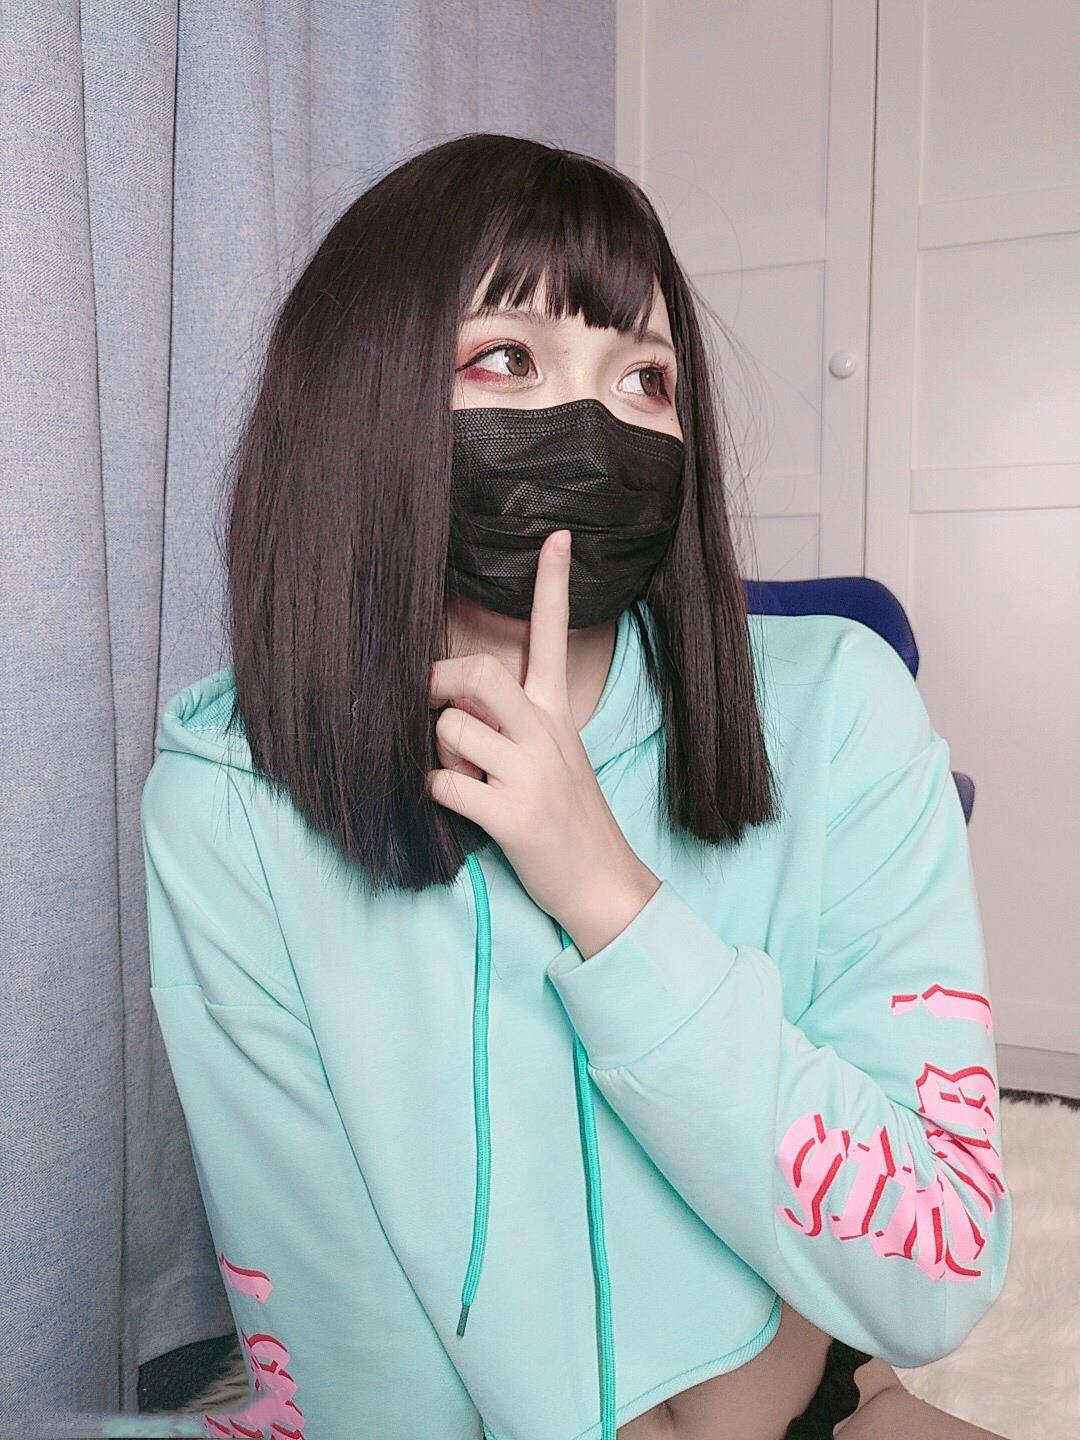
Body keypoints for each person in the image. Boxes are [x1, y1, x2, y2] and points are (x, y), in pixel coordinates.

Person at [140, 133, 1013, 1440]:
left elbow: (933, 1265)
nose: (596, 424)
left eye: (645, 377)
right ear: (361, 400)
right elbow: (346, 1331)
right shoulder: (228, 809)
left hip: (821, 1392)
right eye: (507, 357)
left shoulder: (842, 705)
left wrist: (608, 896)